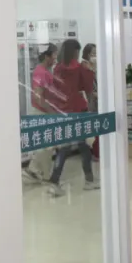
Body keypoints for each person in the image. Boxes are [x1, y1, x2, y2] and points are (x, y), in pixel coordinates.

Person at [46, 38, 99, 196]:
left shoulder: (57, 68)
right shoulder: (79, 68)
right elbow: (87, 87)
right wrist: (90, 70)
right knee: (81, 146)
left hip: (62, 110)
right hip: (77, 109)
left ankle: (56, 181)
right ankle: (87, 180)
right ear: (75, 52)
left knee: (68, 146)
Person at [25, 44, 59, 182]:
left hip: (46, 111)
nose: (56, 58)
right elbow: (38, 97)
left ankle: (35, 169)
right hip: (41, 112)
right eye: (54, 55)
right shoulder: (40, 72)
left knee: (47, 146)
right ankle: (42, 174)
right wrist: (52, 112)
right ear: (46, 56)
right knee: (46, 146)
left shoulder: (46, 71)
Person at [82, 43, 100, 159]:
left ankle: (95, 150)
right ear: (87, 54)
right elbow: (86, 86)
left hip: (96, 99)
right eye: (93, 53)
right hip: (90, 100)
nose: (95, 56)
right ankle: (94, 151)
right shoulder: (84, 66)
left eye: (96, 53)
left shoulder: (95, 66)